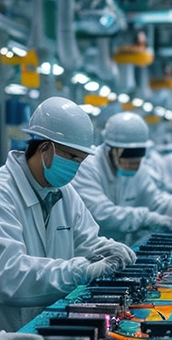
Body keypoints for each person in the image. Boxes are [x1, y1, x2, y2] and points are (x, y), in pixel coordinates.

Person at [0, 96, 136, 332]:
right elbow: (10, 275)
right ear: (44, 147)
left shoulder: (64, 192)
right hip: (14, 330)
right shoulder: (4, 192)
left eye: (80, 160)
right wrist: (81, 270)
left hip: (56, 326)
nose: (75, 167)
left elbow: (88, 243)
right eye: (72, 157)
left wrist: (110, 250)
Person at [71, 112, 172, 246]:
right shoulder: (88, 167)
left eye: (138, 153)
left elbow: (156, 201)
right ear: (110, 149)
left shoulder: (138, 169)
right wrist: (147, 218)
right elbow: (102, 213)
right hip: (90, 251)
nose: (134, 162)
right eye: (128, 153)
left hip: (121, 250)